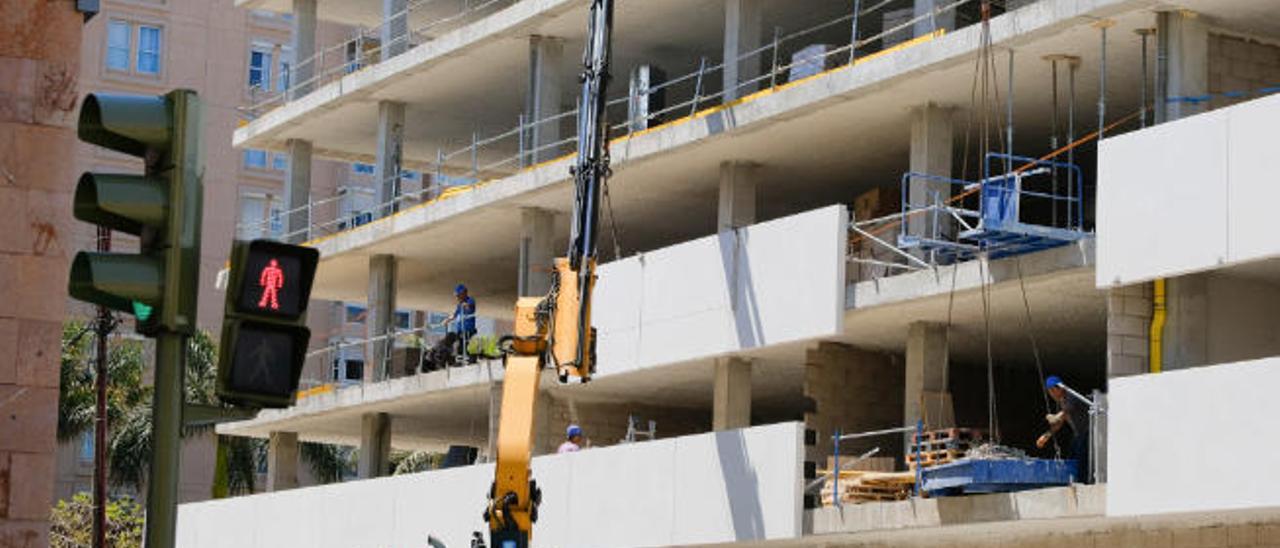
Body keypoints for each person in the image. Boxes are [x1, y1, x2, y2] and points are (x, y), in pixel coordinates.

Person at [1036, 375, 1090, 461]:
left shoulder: (1071, 396)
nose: (1052, 394)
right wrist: (1046, 435)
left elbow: (1064, 413)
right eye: (1050, 392)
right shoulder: (1061, 400)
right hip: (1078, 433)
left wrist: (1054, 417)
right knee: (1072, 456)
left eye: (1053, 390)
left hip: (1088, 432)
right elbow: (1059, 422)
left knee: (1081, 458)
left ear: (1060, 388)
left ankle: (1083, 474)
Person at [444, 284, 477, 363]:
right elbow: (454, 315)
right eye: (456, 296)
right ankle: (465, 358)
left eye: (458, 296)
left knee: (462, 344)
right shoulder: (459, 305)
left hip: (468, 328)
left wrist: (466, 305)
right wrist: (447, 320)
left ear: (464, 294)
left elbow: (470, 306)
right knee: (460, 344)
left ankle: (466, 358)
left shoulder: (470, 300)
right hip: (460, 329)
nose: (457, 298)